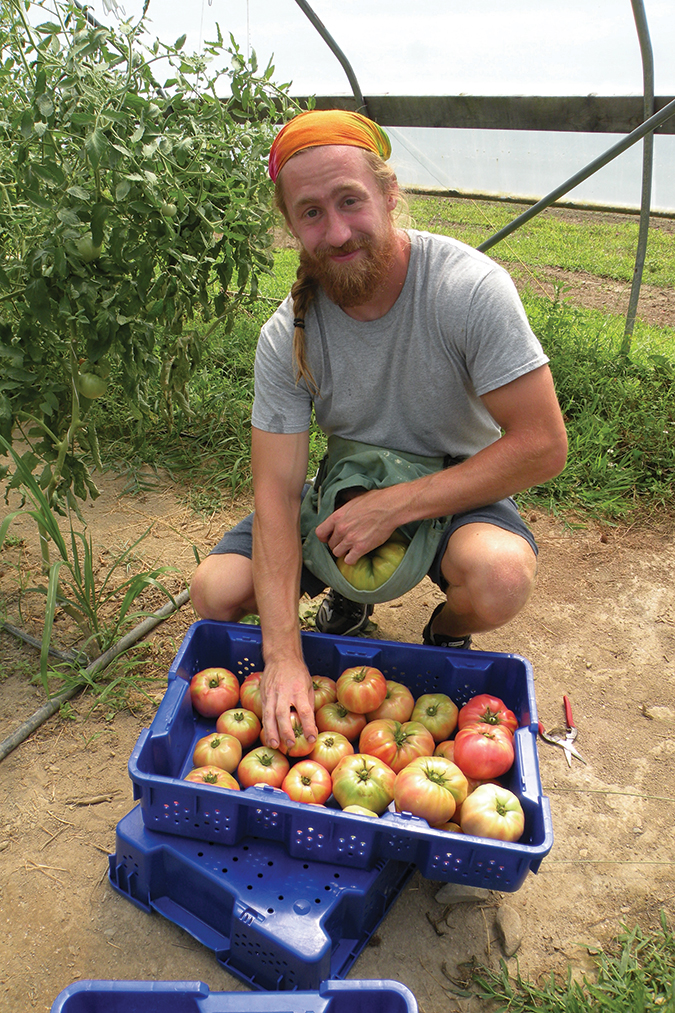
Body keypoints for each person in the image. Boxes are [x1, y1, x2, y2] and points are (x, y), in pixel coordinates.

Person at [190, 109, 568, 753]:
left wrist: (395, 505)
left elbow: (543, 445)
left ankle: (445, 634)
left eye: (350, 201)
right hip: (345, 483)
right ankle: (345, 610)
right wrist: (283, 655)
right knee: (214, 593)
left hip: (458, 483)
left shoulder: (467, 290)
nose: (336, 231)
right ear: (292, 226)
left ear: (390, 196)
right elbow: (278, 492)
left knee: (498, 577)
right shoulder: (288, 334)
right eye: (311, 212)